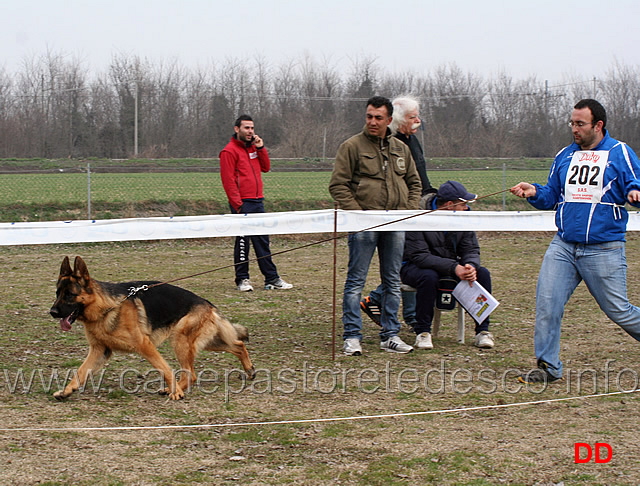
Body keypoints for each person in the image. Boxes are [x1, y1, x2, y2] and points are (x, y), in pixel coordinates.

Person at [511, 99, 640, 384]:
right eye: (572, 123)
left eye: (580, 124)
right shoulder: (565, 155)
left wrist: (635, 194)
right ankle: (548, 367)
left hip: (604, 248)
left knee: (619, 311)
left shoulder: (620, 153)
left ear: (598, 125)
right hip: (564, 246)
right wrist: (533, 192)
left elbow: (636, 183)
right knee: (547, 303)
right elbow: (551, 196)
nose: (574, 129)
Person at [329, 95, 422, 355]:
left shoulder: (401, 149)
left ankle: (390, 334)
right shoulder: (351, 147)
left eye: (378, 117)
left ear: (389, 120)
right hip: (363, 226)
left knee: (393, 281)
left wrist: (406, 211)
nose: (372, 121)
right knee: (355, 281)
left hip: (395, 225)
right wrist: (359, 216)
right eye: (369, 116)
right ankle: (352, 336)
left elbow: (414, 183)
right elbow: (338, 185)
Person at [360, 96, 434, 329]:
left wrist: (430, 195)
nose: (418, 121)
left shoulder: (412, 141)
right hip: (399, 211)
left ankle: (409, 315)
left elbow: (418, 177)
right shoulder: (393, 143)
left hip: (418, 205)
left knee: (412, 259)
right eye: (413, 117)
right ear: (400, 120)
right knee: (407, 261)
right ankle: (378, 299)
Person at [400, 181, 495, 350]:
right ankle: (423, 333)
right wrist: (454, 267)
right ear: (450, 204)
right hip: (414, 267)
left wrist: (470, 266)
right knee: (428, 277)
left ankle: (483, 331)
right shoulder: (417, 218)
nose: (466, 208)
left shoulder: (463, 218)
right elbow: (420, 256)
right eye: (464, 204)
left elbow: (471, 248)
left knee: (483, 274)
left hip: (452, 266)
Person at [219, 115, 293, 292]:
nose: (250, 131)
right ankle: (242, 279)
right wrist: (238, 205)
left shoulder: (254, 147)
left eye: (252, 128)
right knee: (243, 241)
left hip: (257, 200)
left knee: (262, 240)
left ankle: (271, 278)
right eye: (246, 128)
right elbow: (228, 181)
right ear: (237, 129)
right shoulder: (229, 151)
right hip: (242, 203)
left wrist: (261, 148)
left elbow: (266, 167)